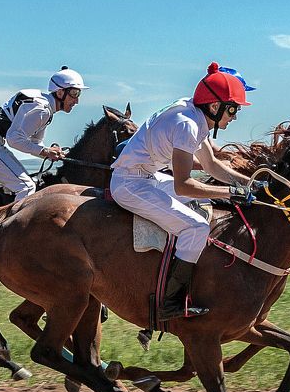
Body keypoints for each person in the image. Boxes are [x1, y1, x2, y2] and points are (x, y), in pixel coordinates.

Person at [109, 61, 257, 321]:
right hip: (130, 184)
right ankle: (170, 303)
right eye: (233, 109)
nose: (234, 116)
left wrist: (249, 184)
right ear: (215, 106)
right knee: (196, 227)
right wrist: (230, 192)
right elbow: (183, 185)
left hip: (146, 177)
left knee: (206, 204)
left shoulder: (195, 114)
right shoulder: (188, 125)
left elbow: (211, 165)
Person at [0, 66, 88, 200]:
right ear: (60, 92)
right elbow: (14, 139)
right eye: (74, 93)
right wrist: (46, 151)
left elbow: (35, 143)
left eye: (78, 94)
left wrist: (52, 154)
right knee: (27, 187)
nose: (77, 100)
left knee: (28, 184)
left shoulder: (45, 108)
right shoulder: (42, 110)